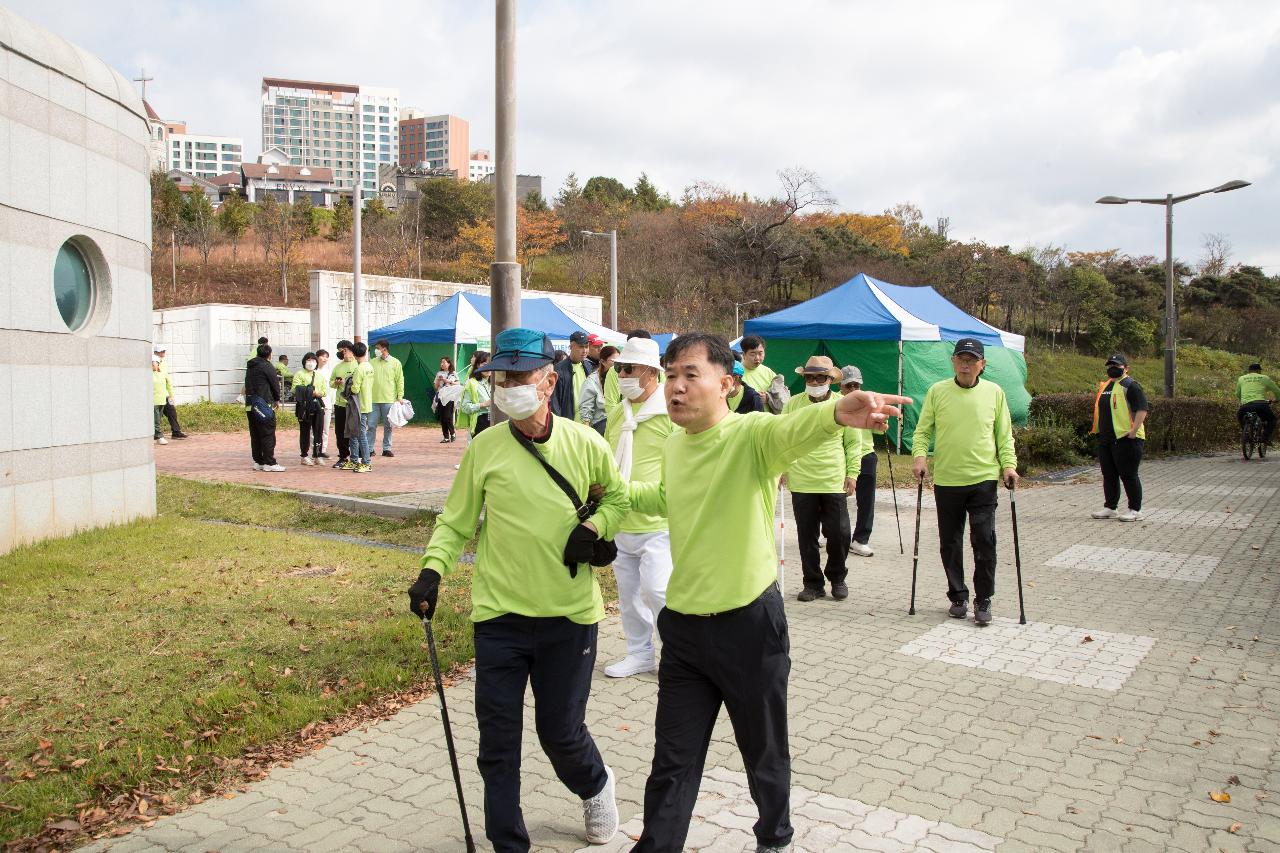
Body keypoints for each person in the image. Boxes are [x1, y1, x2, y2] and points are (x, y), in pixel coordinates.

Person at [626, 333, 908, 852]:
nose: (676, 387)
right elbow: (664, 498)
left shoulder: (750, 434)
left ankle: (774, 837)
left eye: (691, 374)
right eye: (670, 376)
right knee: (673, 762)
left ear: (728, 385)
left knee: (764, 751)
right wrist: (606, 505)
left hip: (748, 626)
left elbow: (791, 430)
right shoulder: (672, 442)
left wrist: (836, 414)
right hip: (684, 629)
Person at [408, 327, 626, 852]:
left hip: (569, 616)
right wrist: (433, 571)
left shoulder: (586, 444)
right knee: (497, 742)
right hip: (499, 617)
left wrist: (593, 531)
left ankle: (596, 786)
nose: (505, 386)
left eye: (517, 376)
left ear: (549, 382)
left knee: (560, 733)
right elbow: (456, 521)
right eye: (498, 378)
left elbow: (619, 502)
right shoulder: (485, 447)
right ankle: (508, 843)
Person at [911, 338, 1018, 626]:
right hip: (947, 480)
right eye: (961, 358)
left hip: (983, 479)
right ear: (953, 362)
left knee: (984, 540)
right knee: (950, 542)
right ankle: (957, 596)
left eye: (972, 359)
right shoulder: (938, 391)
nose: (966, 364)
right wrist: (920, 458)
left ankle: (983, 599)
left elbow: (1004, 436)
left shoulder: (995, 393)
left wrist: (1009, 466)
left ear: (982, 365)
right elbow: (922, 432)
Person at [603, 337, 674, 678]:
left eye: (628, 369)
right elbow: (605, 454)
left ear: (650, 372)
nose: (622, 374)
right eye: (619, 369)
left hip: (658, 519)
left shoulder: (671, 411)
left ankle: (677, 655)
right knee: (629, 594)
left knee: (658, 589)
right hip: (621, 519)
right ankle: (639, 653)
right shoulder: (620, 412)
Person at [783, 356, 862, 602]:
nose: (814, 381)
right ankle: (812, 583)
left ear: (830, 380)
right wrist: (780, 469)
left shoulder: (843, 404)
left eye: (820, 377)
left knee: (839, 534)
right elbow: (782, 438)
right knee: (806, 537)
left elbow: (853, 442)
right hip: (802, 480)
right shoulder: (793, 404)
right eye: (809, 377)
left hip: (833, 480)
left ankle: (837, 578)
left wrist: (852, 473)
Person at [1089, 353, 1150, 523]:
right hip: (1107, 439)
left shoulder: (1131, 385)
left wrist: (1133, 430)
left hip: (1127, 438)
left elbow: (1142, 409)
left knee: (1129, 475)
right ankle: (1110, 507)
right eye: (1110, 366)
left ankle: (1135, 510)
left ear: (1126, 368)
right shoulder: (1106, 385)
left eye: (1117, 366)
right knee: (1109, 475)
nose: (1113, 369)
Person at [840, 365, 877, 557]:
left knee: (867, 500)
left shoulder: (868, 403)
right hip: (842, 456)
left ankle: (861, 539)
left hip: (866, 455)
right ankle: (829, 533)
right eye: (849, 385)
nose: (854, 389)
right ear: (841, 387)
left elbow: (879, 429)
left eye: (857, 385)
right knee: (835, 498)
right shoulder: (836, 404)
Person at [245, 343, 284, 472]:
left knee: (255, 434)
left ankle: (258, 461)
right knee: (267, 433)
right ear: (269, 354)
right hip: (263, 404)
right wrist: (277, 399)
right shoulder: (267, 366)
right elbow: (275, 384)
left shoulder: (250, 366)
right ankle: (270, 463)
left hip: (250, 405)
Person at [368, 339, 407, 457]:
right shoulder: (372, 362)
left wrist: (400, 396)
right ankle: (369, 448)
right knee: (371, 425)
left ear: (384, 349)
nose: (376, 351)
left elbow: (400, 380)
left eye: (378, 348)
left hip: (389, 399)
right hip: (373, 399)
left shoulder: (396, 363)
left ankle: (386, 448)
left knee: (388, 425)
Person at [550, 331, 596, 420]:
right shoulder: (558, 370)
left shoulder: (588, 366)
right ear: (571, 346)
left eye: (586, 347)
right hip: (569, 423)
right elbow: (554, 403)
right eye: (581, 347)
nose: (585, 350)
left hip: (588, 422)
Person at [344, 342, 375, 472]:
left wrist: (348, 385)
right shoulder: (369, 366)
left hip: (358, 405)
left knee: (360, 434)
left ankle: (366, 462)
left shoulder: (359, 369)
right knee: (355, 433)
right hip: (366, 402)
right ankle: (354, 459)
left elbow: (355, 388)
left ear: (355, 354)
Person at [1235, 362, 1279, 446]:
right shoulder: (1264, 378)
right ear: (1259, 371)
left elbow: (1237, 393)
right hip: (1261, 405)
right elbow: (1277, 391)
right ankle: (1264, 437)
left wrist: (1243, 401)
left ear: (1249, 371)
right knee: (1272, 420)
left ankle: (1246, 433)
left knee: (1239, 416)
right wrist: (1277, 399)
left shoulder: (1241, 378)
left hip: (1246, 406)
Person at [292, 352, 325, 465]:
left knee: (318, 431)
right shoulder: (299, 374)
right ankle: (304, 455)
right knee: (305, 431)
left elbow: (324, 391)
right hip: (304, 407)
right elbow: (295, 389)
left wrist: (319, 393)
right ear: (304, 362)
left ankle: (317, 454)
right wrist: (310, 391)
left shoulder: (319, 375)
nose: (311, 363)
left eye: (313, 360)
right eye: (308, 360)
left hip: (317, 405)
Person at [579, 345, 618, 435]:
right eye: (614, 361)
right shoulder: (592, 380)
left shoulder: (620, 377)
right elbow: (586, 407)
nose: (618, 365)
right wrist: (587, 429)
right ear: (603, 362)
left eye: (620, 361)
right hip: (601, 424)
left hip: (617, 421)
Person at [329, 341, 356, 468]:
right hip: (340, 404)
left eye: (344, 350)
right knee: (340, 432)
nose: (343, 353)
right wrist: (337, 383)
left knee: (354, 431)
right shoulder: (338, 367)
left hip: (354, 404)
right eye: (341, 351)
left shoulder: (358, 364)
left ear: (351, 350)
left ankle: (356, 457)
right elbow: (331, 383)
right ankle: (343, 456)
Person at [153, 345, 188, 439]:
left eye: (164, 351)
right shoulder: (153, 362)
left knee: (171, 411)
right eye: (161, 351)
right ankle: (156, 434)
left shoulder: (163, 363)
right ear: (155, 352)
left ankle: (176, 432)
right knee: (157, 416)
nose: (163, 353)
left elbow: (167, 379)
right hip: (156, 394)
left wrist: (171, 394)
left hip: (165, 394)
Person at [457, 351, 493, 442]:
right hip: (481, 422)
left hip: (496, 422)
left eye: (490, 364)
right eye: (484, 364)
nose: (488, 368)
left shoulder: (496, 383)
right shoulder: (472, 383)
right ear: (477, 365)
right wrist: (483, 404)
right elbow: (465, 407)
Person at [434, 356, 461, 443]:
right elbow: (436, 386)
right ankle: (446, 437)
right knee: (442, 418)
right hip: (441, 396)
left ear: (449, 363)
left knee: (448, 416)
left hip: (450, 396)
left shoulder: (453, 373)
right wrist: (438, 380)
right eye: (441, 362)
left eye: (444, 362)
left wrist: (448, 381)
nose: (442, 364)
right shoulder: (439, 373)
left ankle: (452, 433)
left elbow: (458, 383)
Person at [313, 348, 332, 458]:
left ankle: (322, 449)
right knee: (314, 428)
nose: (325, 359)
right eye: (323, 356)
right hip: (315, 403)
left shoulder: (329, 372)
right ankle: (314, 449)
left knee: (325, 428)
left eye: (326, 357)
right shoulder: (313, 372)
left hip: (327, 402)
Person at [152, 355, 170, 446]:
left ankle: (156, 436)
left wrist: (170, 395)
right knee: (156, 419)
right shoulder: (149, 373)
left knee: (158, 419)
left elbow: (168, 383)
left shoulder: (162, 373)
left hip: (162, 399)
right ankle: (159, 436)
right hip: (153, 400)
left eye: (156, 363)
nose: (155, 365)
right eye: (153, 363)